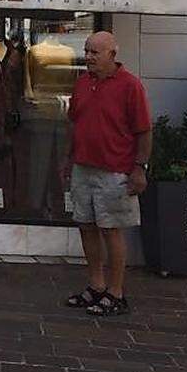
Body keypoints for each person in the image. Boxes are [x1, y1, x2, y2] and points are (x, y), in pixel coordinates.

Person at [62, 31, 151, 316]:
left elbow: (144, 130)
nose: (88, 57)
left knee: (111, 229)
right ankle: (96, 286)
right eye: (87, 51)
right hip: (83, 167)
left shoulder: (130, 86)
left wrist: (139, 168)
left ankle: (116, 292)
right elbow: (75, 123)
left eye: (94, 52)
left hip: (115, 171)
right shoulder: (82, 83)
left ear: (112, 54)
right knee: (86, 226)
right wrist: (68, 160)